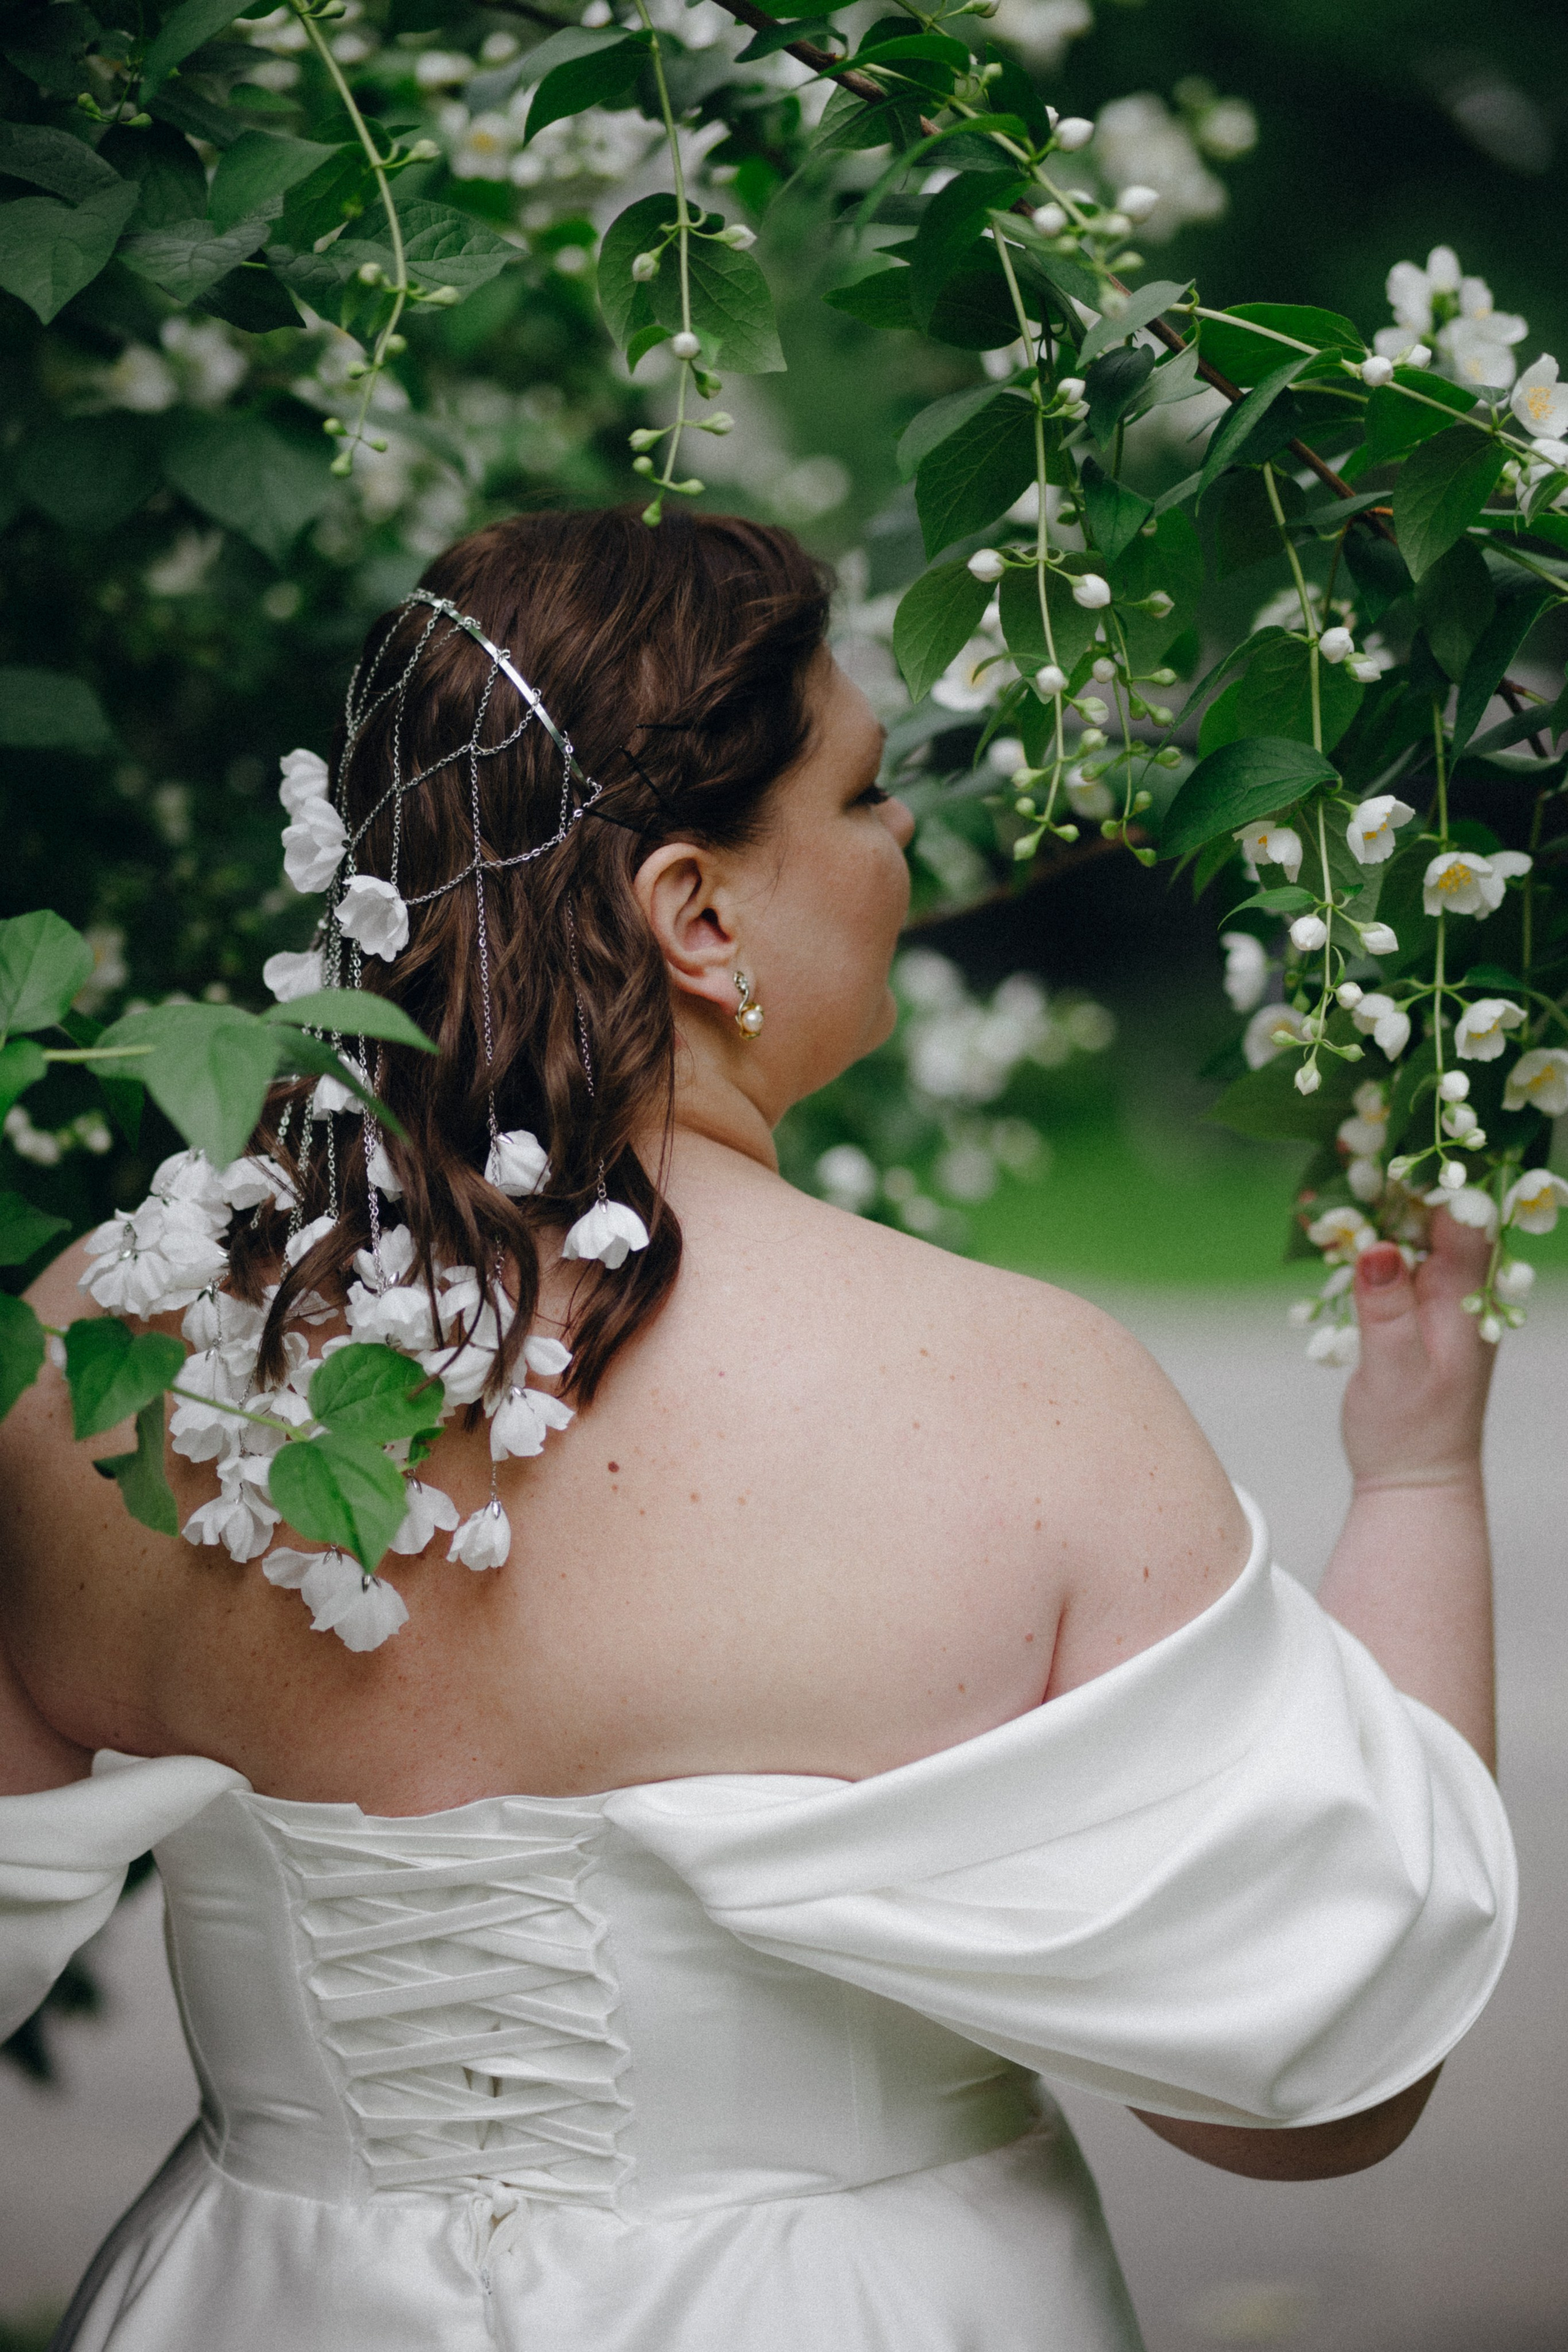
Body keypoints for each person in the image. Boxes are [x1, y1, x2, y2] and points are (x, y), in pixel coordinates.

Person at [0, 508, 1513, 2352]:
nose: (903, 839)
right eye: (864, 794)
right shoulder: (1017, 1399)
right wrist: (1420, 1480)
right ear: (698, 912)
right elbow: (1320, 2084)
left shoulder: (104, 1357)